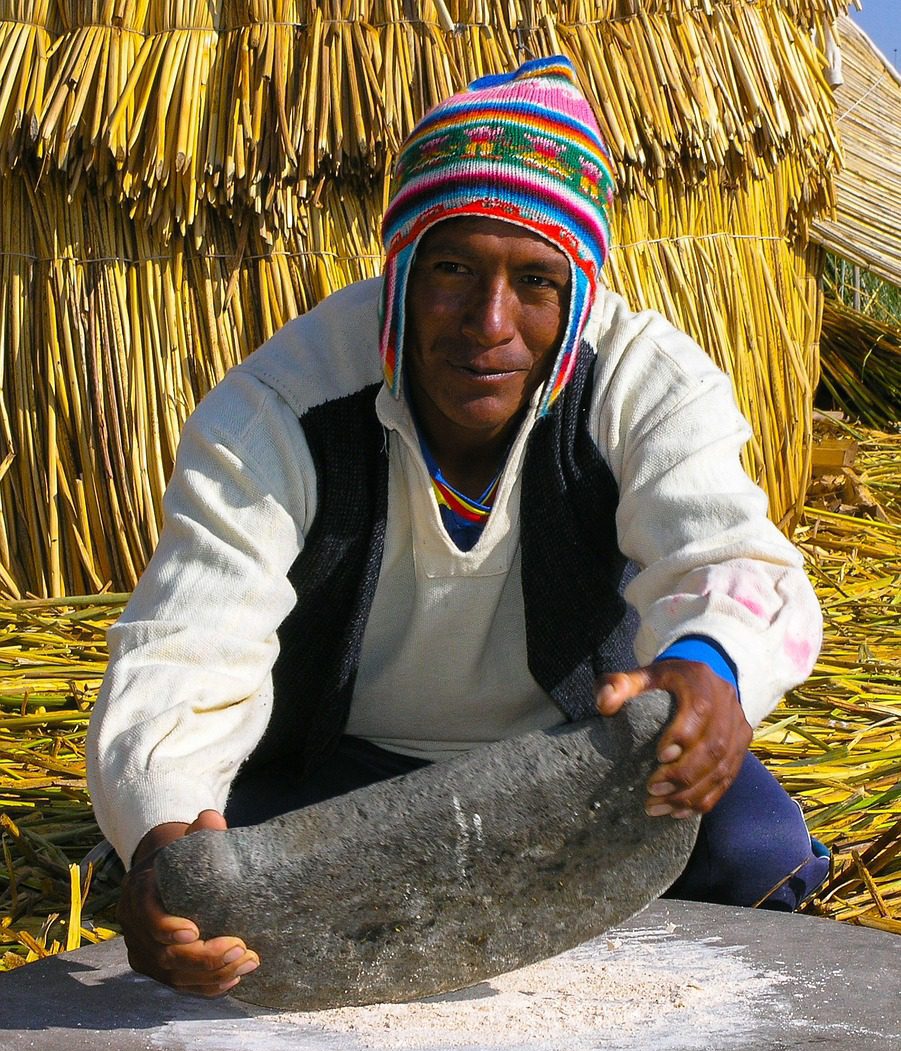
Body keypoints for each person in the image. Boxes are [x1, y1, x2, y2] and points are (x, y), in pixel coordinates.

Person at [87, 56, 827, 999]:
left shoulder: (643, 379)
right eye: (450, 269)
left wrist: (712, 671)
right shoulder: (280, 406)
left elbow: (730, 560)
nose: (488, 322)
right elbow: (188, 644)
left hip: (570, 768)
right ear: (398, 268)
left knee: (755, 853)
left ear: (580, 287)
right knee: (206, 881)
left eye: (534, 281)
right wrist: (160, 840)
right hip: (334, 778)